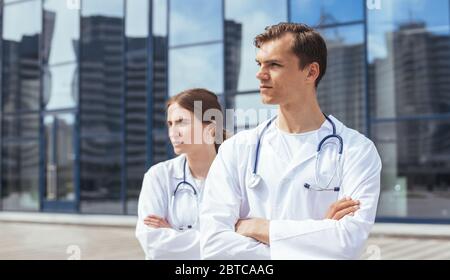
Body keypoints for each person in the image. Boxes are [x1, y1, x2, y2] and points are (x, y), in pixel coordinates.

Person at [200, 23, 382, 259]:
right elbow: (214, 247)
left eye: (274, 65)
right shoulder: (236, 149)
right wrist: (317, 237)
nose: (260, 74)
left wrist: (256, 227)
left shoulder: (357, 150)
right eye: (259, 64)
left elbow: (347, 241)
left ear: (310, 72)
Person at [136, 88, 227, 259]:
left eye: (181, 122)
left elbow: (246, 244)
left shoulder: (235, 176)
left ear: (211, 129)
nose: (173, 132)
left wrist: (173, 234)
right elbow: (153, 243)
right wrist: (220, 242)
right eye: (170, 124)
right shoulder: (159, 176)